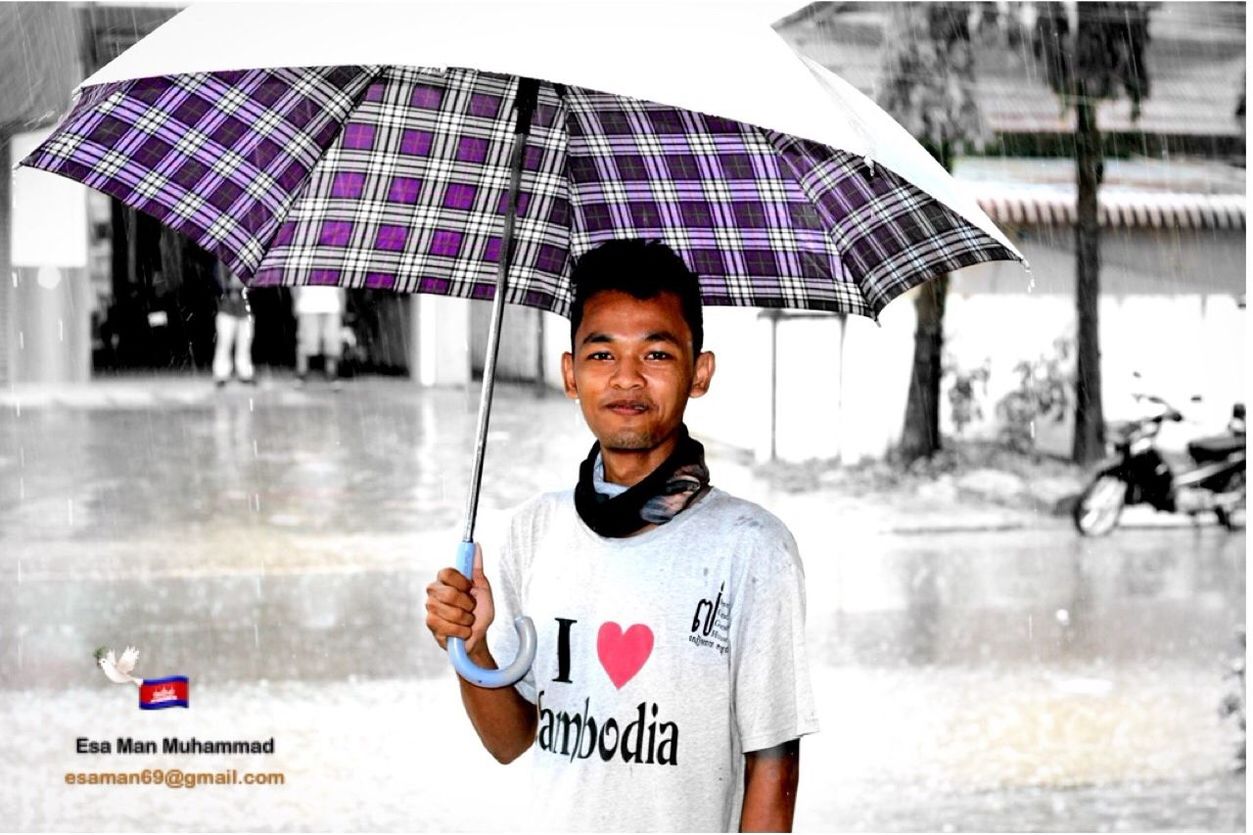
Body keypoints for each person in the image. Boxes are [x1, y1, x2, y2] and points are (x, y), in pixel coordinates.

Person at [425, 239, 818, 832]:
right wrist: (471, 649)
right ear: (570, 373)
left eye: (656, 354)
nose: (627, 379)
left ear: (700, 371)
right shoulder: (534, 530)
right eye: (602, 355)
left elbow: (773, 764)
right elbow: (509, 741)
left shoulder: (752, 547)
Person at [292, 285, 346, 388]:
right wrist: (296, 302)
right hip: (307, 305)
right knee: (305, 342)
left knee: (332, 342)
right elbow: (295, 284)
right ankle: (301, 374)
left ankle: (332, 375)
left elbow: (342, 285)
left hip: (332, 305)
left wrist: (342, 305)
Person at [211, 262, 254, 386]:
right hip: (226, 311)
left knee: (245, 344)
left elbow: (253, 283)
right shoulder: (222, 263)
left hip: (245, 311)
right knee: (224, 343)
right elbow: (219, 282)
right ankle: (221, 374)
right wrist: (232, 286)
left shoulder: (249, 264)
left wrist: (243, 285)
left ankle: (245, 373)